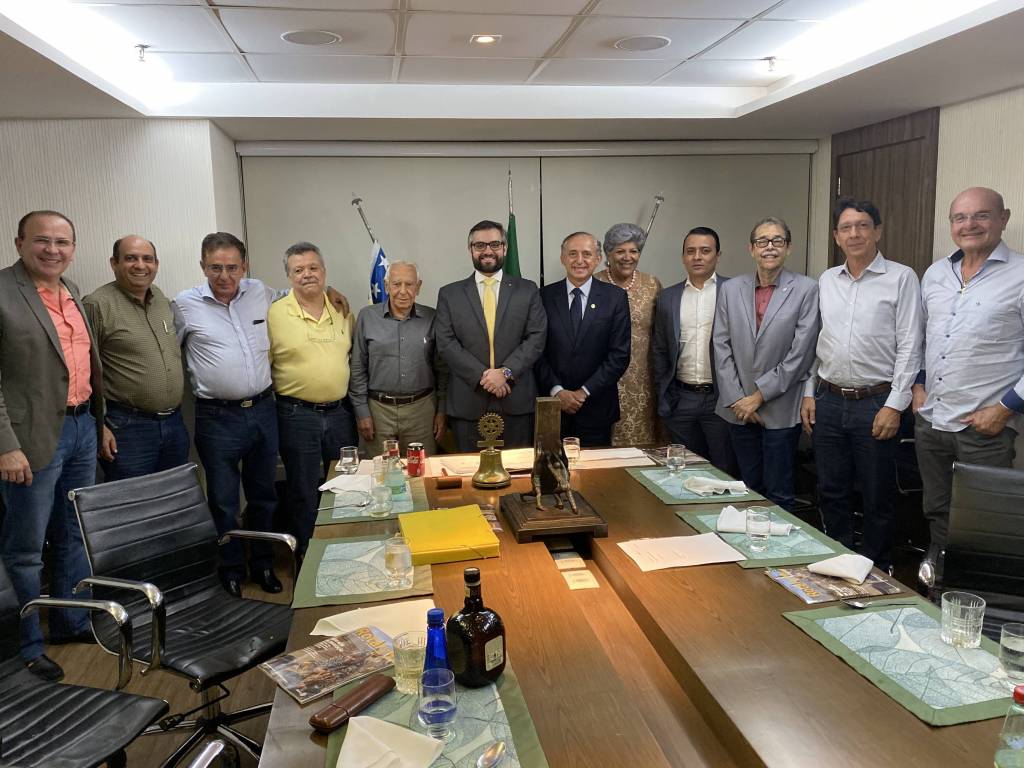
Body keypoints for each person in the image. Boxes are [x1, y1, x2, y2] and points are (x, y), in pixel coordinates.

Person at [0, 210, 103, 681]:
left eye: (63, 242)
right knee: (25, 549)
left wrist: (100, 422)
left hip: (81, 426)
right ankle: (25, 644)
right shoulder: (4, 291)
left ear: (73, 249)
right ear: (20, 242)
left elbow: (82, 365)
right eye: (43, 240)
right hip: (31, 439)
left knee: (73, 533)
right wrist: (5, 445)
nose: (53, 250)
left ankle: (71, 621)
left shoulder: (72, 291)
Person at [799, 199, 922, 567]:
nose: (854, 234)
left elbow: (911, 345)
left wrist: (895, 405)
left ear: (877, 231)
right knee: (831, 489)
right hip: (829, 399)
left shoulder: (901, 278)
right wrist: (808, 393)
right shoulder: (826, 280)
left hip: (876, 401)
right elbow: (818, 342)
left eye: (863, 225)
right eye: (846, 227)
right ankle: (837, 562)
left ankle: (876, 567)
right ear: (836, 236)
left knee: (877, 494)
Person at [912, 186, 1024, 586]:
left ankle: (976, 597)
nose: (969, 225)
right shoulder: (935, 274)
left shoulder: (1020, 274)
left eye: (981, 215)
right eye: (960, 217)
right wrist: (919, 385)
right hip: (933, 420)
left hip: (985, 427)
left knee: (982, 518)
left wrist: (1006, 408)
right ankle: (940, 584)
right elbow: (924, 338)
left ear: (1003, 218)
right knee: (937, 508)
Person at [173, 232, 283, 598]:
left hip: (263, 410)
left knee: (263, 495)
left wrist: (330, 292)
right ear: (203, 266)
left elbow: (296, 296)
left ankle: (263, 564)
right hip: (217, 417)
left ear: (244, 266)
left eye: (232, 267)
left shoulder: (259, 292)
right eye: (215, 267)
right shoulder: (184, 305)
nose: (224, 276)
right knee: (223, 501)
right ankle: (231, 569)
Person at [713, 217, 818, 511]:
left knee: (779, 492)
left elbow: (801, 353)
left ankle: (779, 542)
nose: (769, 247)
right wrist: (738, 400)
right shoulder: (731, 288)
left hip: (780, 408)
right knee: (746, 489)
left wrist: (758, 398)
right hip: (738, 409)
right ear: (751, 249)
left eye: (777, 241)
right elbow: (720, 345)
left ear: (788, 248)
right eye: (762, 241)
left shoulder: (807, 289)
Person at [268, 242, 358, 560]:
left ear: (324, 271)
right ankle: (308, 555)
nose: (307, 274)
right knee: (302, 488)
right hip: (296, 414)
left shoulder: (342, 310)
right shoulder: (274, 313)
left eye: (313, 267)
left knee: (346, 484)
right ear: (289, 277)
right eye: (298, 269)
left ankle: (345, 548)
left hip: (340, 413)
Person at [83, 235, 189, 481]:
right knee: (134, 499)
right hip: (127, 428)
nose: (140, 265)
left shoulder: (160, 299)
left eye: (147, 259)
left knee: (174, 495)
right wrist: (99, 426)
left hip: (173, 422)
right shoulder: (97, 305)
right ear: (114, 263)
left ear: (156, 264)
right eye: (131, 258)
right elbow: (83, 370)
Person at [435, 220, 547, 452]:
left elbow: (536, 337)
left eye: (495, 244)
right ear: (470, 250)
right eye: (480, 245)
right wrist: (483, 376)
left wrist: (505, 373)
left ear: (505, 248)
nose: (488, 250)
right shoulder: (449, 294)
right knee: (468, 471)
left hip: (516, 401)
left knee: (518, 471)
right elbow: (446, 343)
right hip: (468, 402)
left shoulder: (527, 290)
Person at [652, 226, 737, 474]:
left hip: (721, 399)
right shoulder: (668, 297)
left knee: (724, 470)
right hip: (681, 399)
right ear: (683, 257)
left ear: (718, 255)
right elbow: (659, 349)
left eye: (705, 251)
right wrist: (664, 393)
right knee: (686, 471)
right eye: (690, 251)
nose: (697, 257)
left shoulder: (734, 291)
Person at [536, 232, 631, 447]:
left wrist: (583, 392)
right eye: (573, 254)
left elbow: (619, 355)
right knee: (551, 466)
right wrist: (557, 391)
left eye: (587, 254)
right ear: (563, 258)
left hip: (597, 408)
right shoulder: (543, 296)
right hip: (552, 408)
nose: (580, 260)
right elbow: (536, 351)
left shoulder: (615, 298)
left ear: (598, 259)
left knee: (596, 468)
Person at [350, 261, 448, 456]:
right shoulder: (367, 317)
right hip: (378, 411)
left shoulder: (433, 318)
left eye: (409, 284)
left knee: (421, 470)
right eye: (396, 284)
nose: (403, 291)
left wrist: (442, 410)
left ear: (418, 287)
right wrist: (361, 412)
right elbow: (358, 368)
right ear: (386, 286)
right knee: (380, 470)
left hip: (422, 411)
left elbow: (443, 369)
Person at [594, 223, 662, 446]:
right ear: (608, 254)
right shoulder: (594, 283)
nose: (627, 257)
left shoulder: (652, 285)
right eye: (620, 251)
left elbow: (662, 334)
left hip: (643, 380)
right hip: (603, 378)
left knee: (644, 445)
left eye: (633, 251)